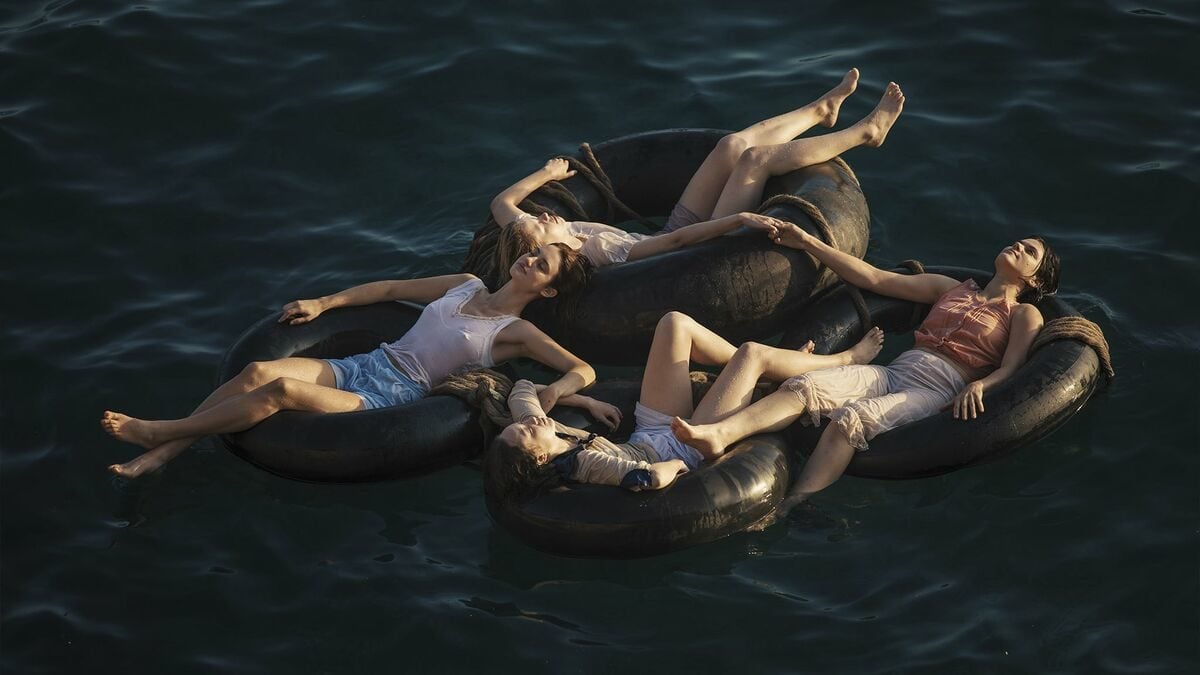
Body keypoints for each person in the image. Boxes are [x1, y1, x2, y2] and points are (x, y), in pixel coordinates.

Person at [102, 244, 596, 479]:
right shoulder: (465, 285)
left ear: (547, 290)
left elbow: (583, 370)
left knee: (280, 392)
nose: (529, 260)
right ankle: (165, 451)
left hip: (394, 396)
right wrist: (324, 303)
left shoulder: (514, 332)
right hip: (367, 363)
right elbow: (389, 288)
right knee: (257, 372)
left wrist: (555, 392)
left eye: (542, 265)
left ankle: (162, 434)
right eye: (533, 253)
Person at [671, 226, 1062, 520]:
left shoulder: (1024, 314)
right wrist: (808, 242)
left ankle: (791, 505)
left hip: (938, 388)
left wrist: (981, 384)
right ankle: (720, 434)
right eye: (1019, 241)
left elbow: (1012, 367)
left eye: (1029, 251)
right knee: (804, 386)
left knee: (852, 419)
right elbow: (874, 278)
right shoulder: (952, 288)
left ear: (1036, 280)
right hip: (896, 371)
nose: (1017, 246)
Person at [490, 69, 905, 279]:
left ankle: (820, 111)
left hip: (674, 229)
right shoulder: (599, 253)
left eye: (537, 216)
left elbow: (502, 203)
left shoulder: (543, 233)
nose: (544, 215)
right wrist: (738, 219)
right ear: (547, 251)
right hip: (698, 250)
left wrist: (545, 173)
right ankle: (865, 133)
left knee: (730, 146)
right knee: (754, 160)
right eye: (541, 225)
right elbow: (678, 242)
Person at [488, 310, 885, 499]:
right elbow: (643, 478)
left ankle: (761, 373)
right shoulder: (583, 463)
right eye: (525, 431)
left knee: (674, 324)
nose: (528, 422)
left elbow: (521, 389)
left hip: (650, 428)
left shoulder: (544, 430)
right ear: (541, 458)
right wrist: (681, 463)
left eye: (522, 424)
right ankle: (846, 358)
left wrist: (579, 398)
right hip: (685, 446)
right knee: (752, 353)